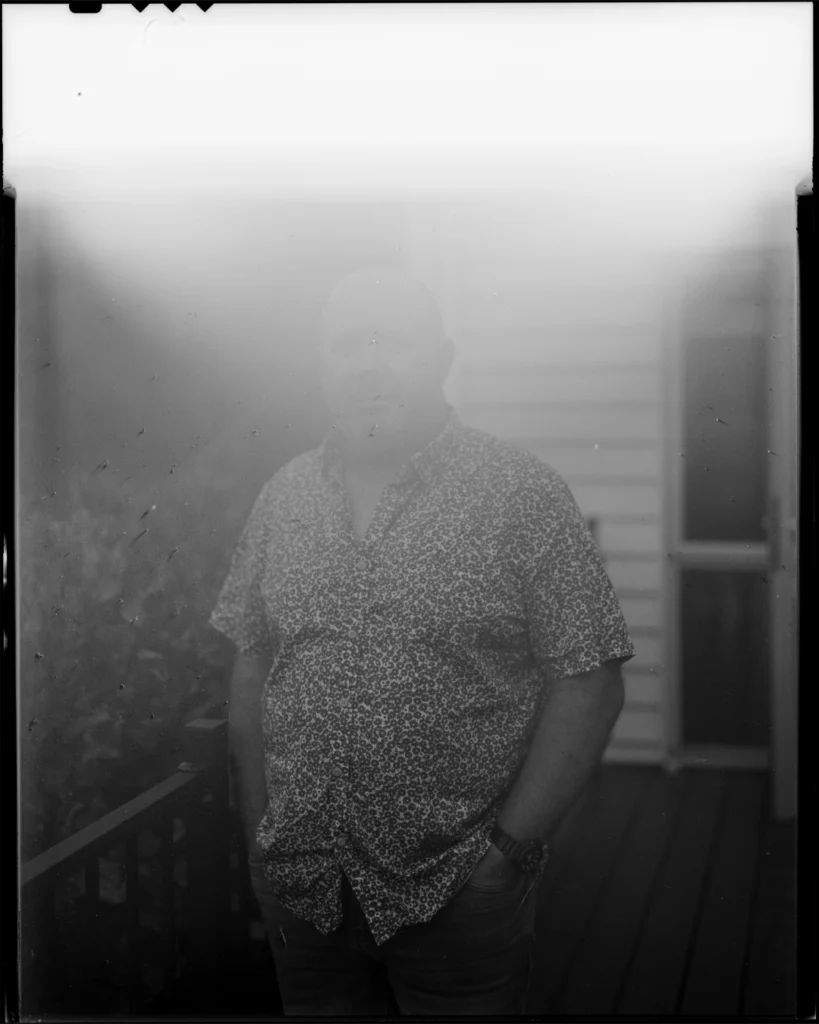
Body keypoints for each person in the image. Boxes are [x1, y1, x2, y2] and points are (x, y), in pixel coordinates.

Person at [210, 265, 635, 1016]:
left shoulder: (520, 493)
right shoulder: (284, 496)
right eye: (346, 345)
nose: (368, 365)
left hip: (455, 896)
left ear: (441, 358)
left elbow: (590, 680)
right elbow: (253, 660)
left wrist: (502, 858)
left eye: (393, 342)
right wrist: (257, 840)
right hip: (305, 889)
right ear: (320, 365)